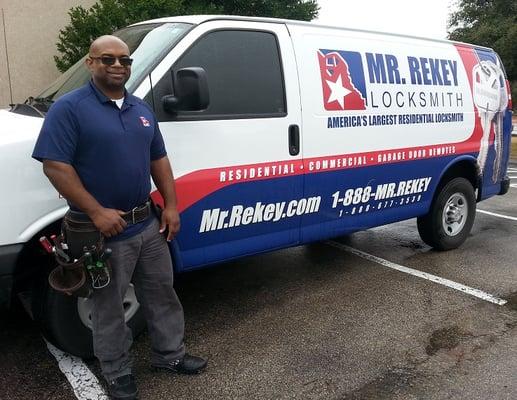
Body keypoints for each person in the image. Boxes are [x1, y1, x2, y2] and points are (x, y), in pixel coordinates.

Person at [32, 35, 207, 400]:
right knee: (108, 307)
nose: (117, 66)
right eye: (107, 59)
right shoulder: (69, 109)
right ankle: (118, 374)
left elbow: (158, 159)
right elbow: (55, 166)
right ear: (90, 63)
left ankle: (169, 355)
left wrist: (171, 207)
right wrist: (96, 212)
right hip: (101, 232)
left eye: (124, 60)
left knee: (161, 294)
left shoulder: (141, 109)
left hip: (147, 224)